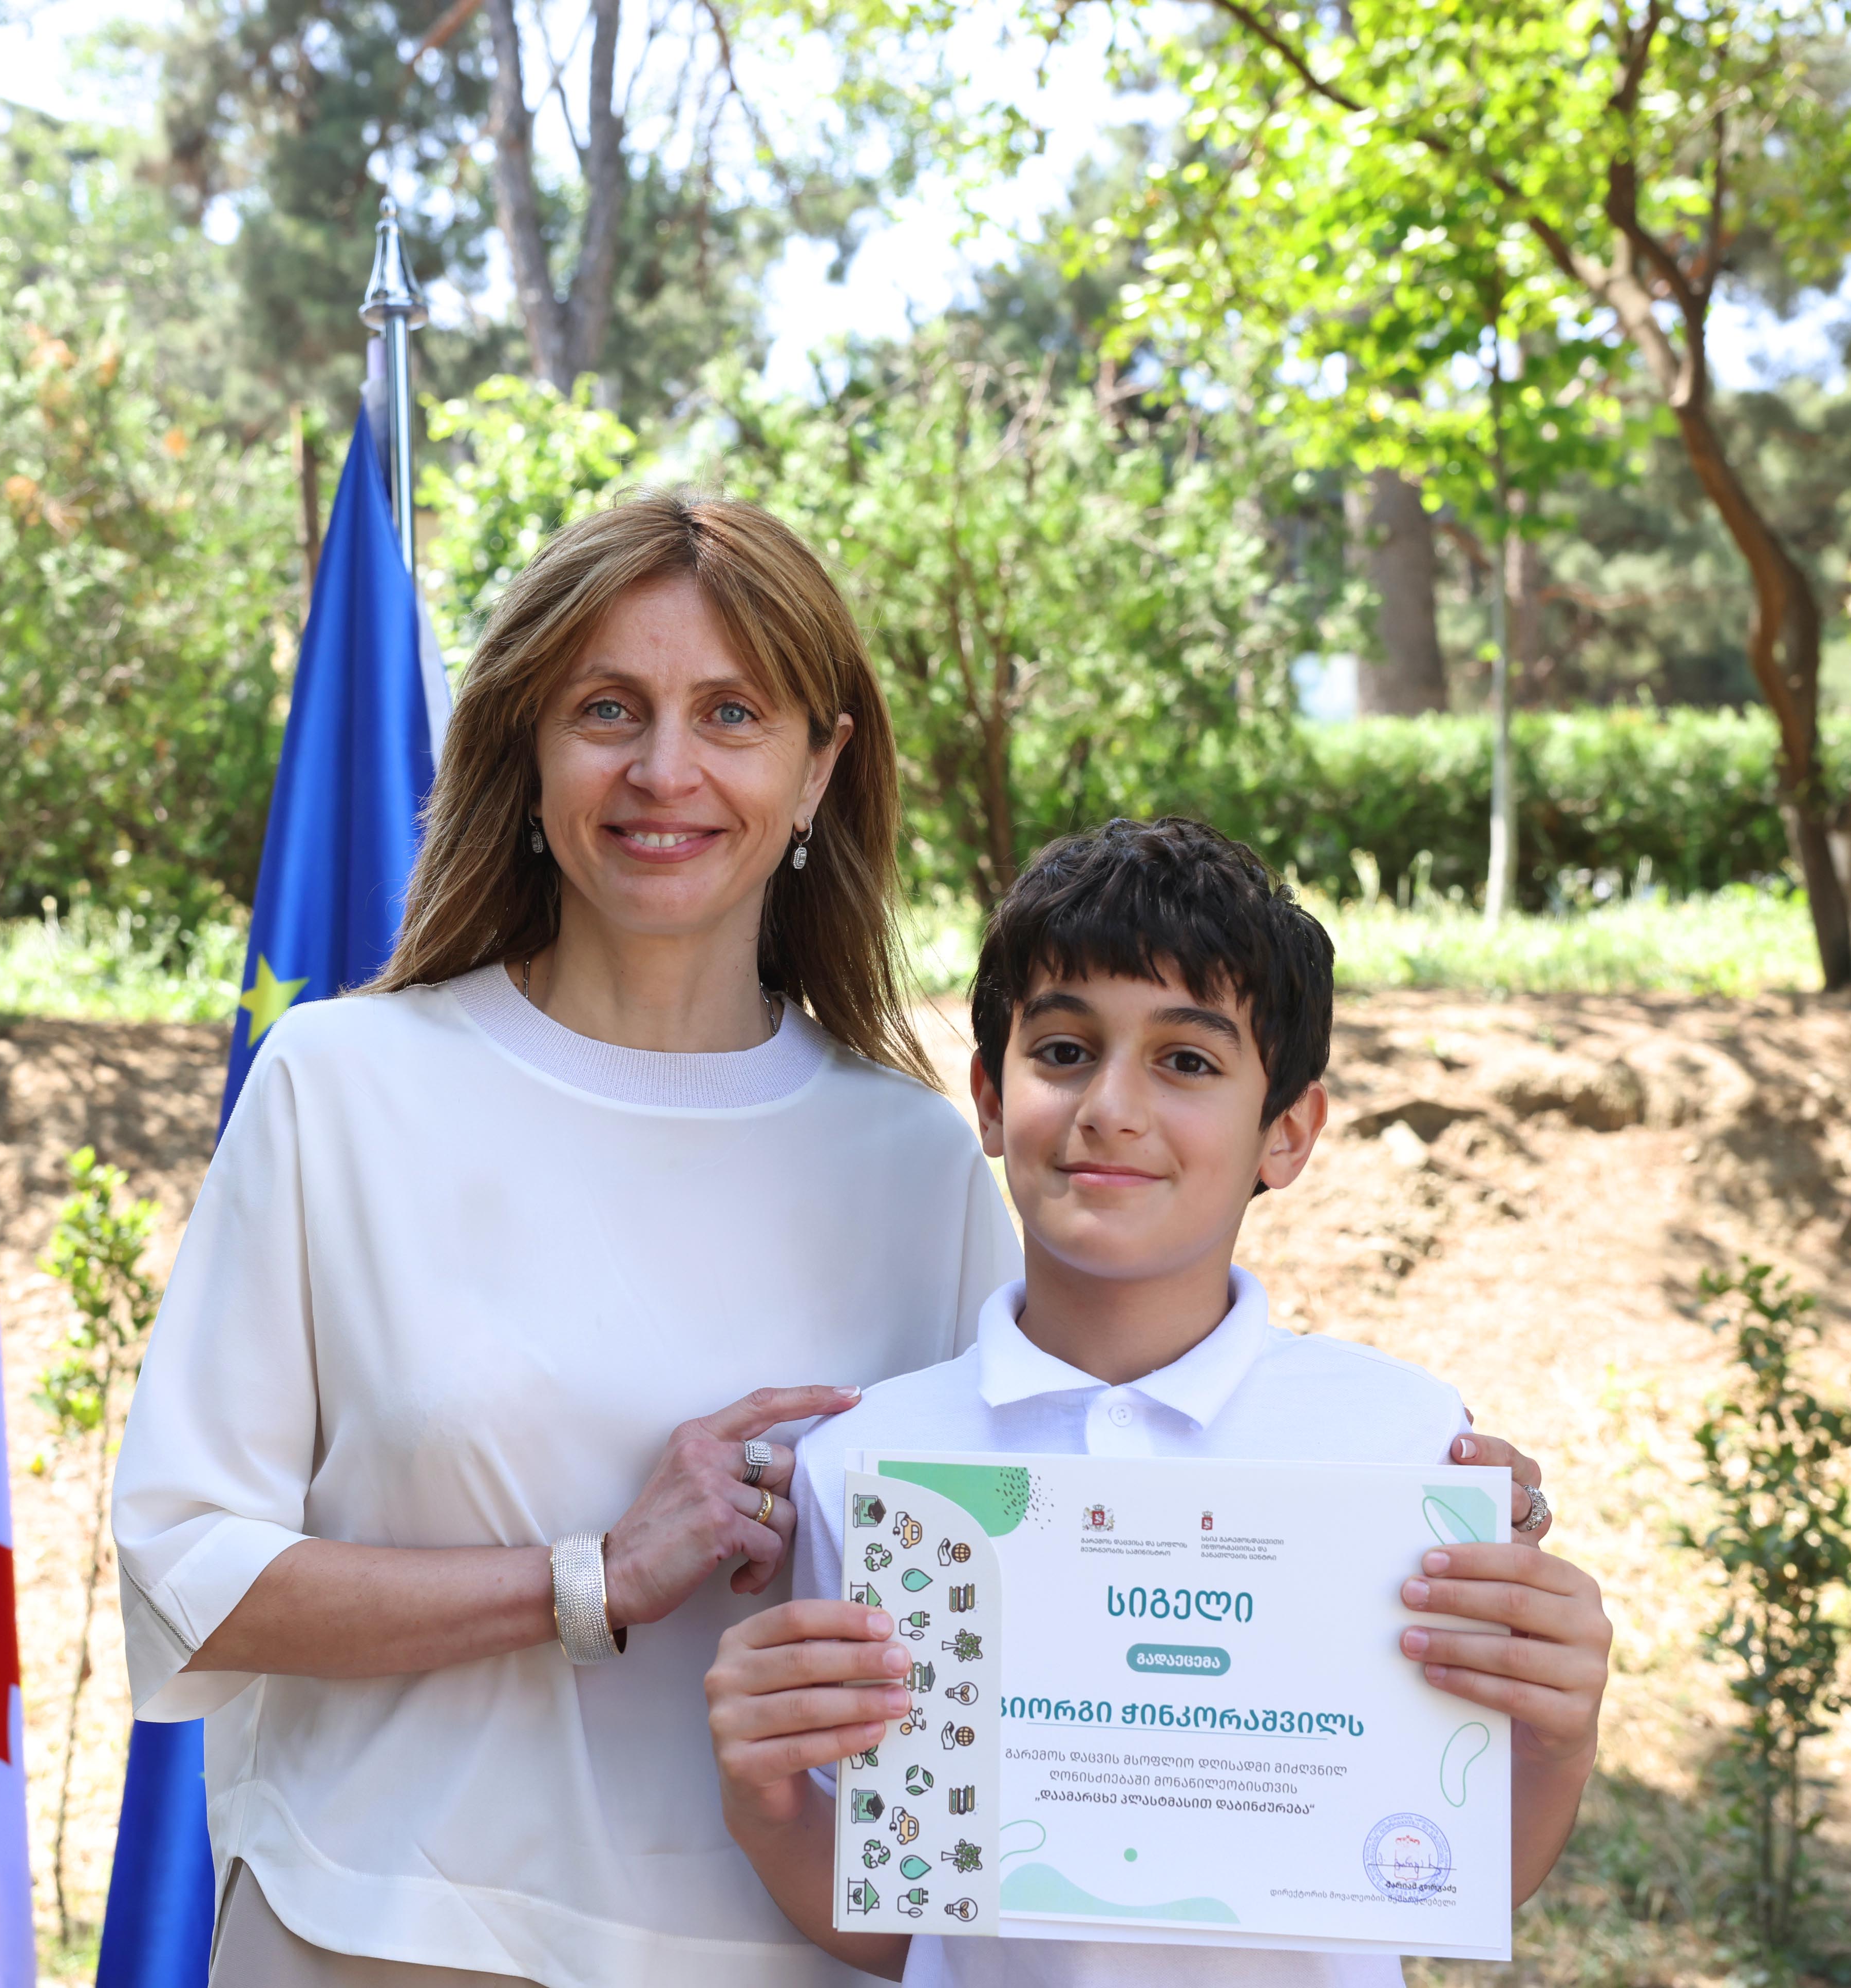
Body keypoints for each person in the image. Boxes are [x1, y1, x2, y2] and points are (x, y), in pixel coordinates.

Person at [114, 495, 1550, 1988]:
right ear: (526, 750)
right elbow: (183, 1573)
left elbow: (1094, 1523)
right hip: (383, 1933)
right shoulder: (344, 1088)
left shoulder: (919, 1154)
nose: (663, 769)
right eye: (606, 709)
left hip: (801, 1953)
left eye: (731, 713)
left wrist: (1408, 1504)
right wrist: (586, 1578)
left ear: (819, 768)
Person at [705, 815, 1612, 1988]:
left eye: (1187, 1061)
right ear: (990, 1098)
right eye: (1064, 1050)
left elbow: (1449, 1876)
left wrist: (1558, 1736)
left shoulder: (1402, 1446)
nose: (1111, 1107)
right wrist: (768, 1803)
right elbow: (901, 1920)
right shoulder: (874, 1468)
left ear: (1287, 1133)